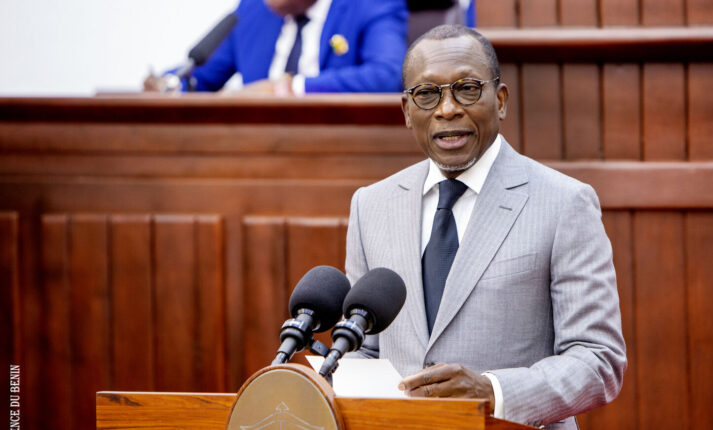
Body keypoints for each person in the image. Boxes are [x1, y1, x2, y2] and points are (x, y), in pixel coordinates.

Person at [344, 25, 626, 429]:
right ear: (407, 110)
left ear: (501, 100)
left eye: (466, 89)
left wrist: (493, 392)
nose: (447, 109)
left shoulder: (565, 202)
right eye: (427, 94)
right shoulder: (371, 205)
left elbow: (598, 359)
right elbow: (365, 350)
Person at [144, 0, 407, 95]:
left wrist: (287, 89)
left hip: (335, 150)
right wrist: (168, 84)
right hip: (254, 149)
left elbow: (387, 76)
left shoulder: (371, 5)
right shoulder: (253, 9)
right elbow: (200, 75)